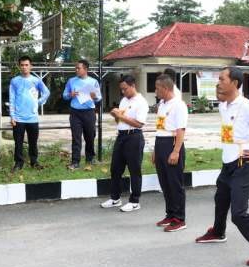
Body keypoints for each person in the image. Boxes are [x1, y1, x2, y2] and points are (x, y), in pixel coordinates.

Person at [195, 66, 249, 267]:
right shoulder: (224, 104)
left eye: (222, 79)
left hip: (244, 163)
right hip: (228, 164)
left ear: (234, 83)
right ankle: (217, 232)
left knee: (239, 213)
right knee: (220, 198)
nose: (218, 82)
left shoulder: (247, 106)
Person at [101, 75, 148, 212]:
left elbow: (139, 124)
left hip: (134, 136)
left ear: (133, 86)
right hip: (121, 136)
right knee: (115, 168)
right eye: (121, 89)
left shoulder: (141, 102)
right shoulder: (123, 101)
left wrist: (121, 116)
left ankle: (134, 201)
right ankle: (115, 198)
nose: (123, 92)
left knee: (134, 169)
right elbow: (120, 121)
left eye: (125, 89)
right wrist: (116, 117)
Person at [152, 74, 188, 231]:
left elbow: (181, 130)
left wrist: (176, 151)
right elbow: (160, 128)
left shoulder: (178, 105)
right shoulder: (162, 104)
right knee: (165, 183)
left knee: (175, 184)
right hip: (160, 143)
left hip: (172, 144)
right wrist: (155, 149)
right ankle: (170, 214)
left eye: (157, 88)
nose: (155, 91)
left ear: (165, 88)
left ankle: (179, 218)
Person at [9, 56, 50, 172]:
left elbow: (46, 92)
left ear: (30, 66)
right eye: (22, 65)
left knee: (33, 142)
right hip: (18, 118)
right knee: (18, 143)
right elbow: (12, 99)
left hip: (32, 118)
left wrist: (38, 102)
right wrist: (12, 116)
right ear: (19, 66)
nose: (24, 67)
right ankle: (18, 163)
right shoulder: (14, 81)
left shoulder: (36, 80)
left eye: (26, 65)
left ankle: (34, 162)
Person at [63, 59, 102, 169]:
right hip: (75, 112)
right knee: (76, 137)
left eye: (78, 68)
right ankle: (75, 162)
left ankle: (90, 159)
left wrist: (95, 97)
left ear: (85, 69)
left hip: (89, 112)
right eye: (76, 68)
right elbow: (64, 95)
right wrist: (71, 94)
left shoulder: (93, 81)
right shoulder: (71, 81)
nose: (76, 70)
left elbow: (99, 97)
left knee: (90, 136)